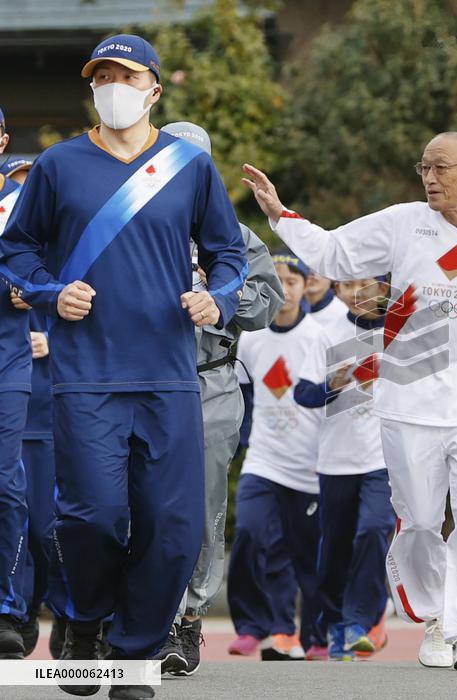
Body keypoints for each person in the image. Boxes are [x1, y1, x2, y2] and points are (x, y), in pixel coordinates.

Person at [241, 131, 457, 671]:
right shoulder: (404, 223)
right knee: (422, 521)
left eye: (441, 168)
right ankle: (433, 621)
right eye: (424, 168)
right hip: (407, 398)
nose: (429, 178)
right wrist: (280, 214)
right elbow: (334, 251)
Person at [0, 35, 247, 699]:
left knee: (173, 529)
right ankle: (84, 621)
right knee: (92, 517)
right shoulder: (58, 166)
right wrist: (53, 293)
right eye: (102, 75)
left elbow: (229, 253)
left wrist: (215, 298)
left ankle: (133, 657)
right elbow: (16, 253)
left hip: (167, 372)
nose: (112, 85)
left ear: (154, 90)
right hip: (85, 373)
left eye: (125, 75)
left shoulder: (188, 167)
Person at [150, 122, 284, 676]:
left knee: (202, 504)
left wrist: (219, 290)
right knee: (143, 502)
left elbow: (266, 307)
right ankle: (142, 616)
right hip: (146, 379)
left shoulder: (237, 237)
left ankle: (187, 617)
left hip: (210, 382)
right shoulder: (137, 226)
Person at [228, 251, 324, 661]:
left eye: (292, 281)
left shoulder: (320, 337)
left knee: (306, 555)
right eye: (277, 281)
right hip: (264, 461)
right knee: (248, 533)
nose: (284, 290)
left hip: (312, 467)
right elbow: (242, 392)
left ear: (306, 286)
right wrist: (246, 438)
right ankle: (252, 626)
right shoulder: (251, 338)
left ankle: (315, 634)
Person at [295, 275, 394, 661]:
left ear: (384, 288)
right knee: (334, 549)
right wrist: (332, 385)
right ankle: (336, 623)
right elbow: (303, 393)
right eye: (346, 285)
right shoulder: (324, 332)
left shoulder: (400, 334)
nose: (354, 293)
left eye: (364, 284)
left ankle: (359, 621)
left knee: (374, 529)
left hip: (384, 458)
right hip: (336, 459)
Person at [0, 108, 31, 661]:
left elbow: (46, 263)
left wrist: (34, 286)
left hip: (8, 357)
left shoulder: (23, 200)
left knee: (5, 483)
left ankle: (7, 608)